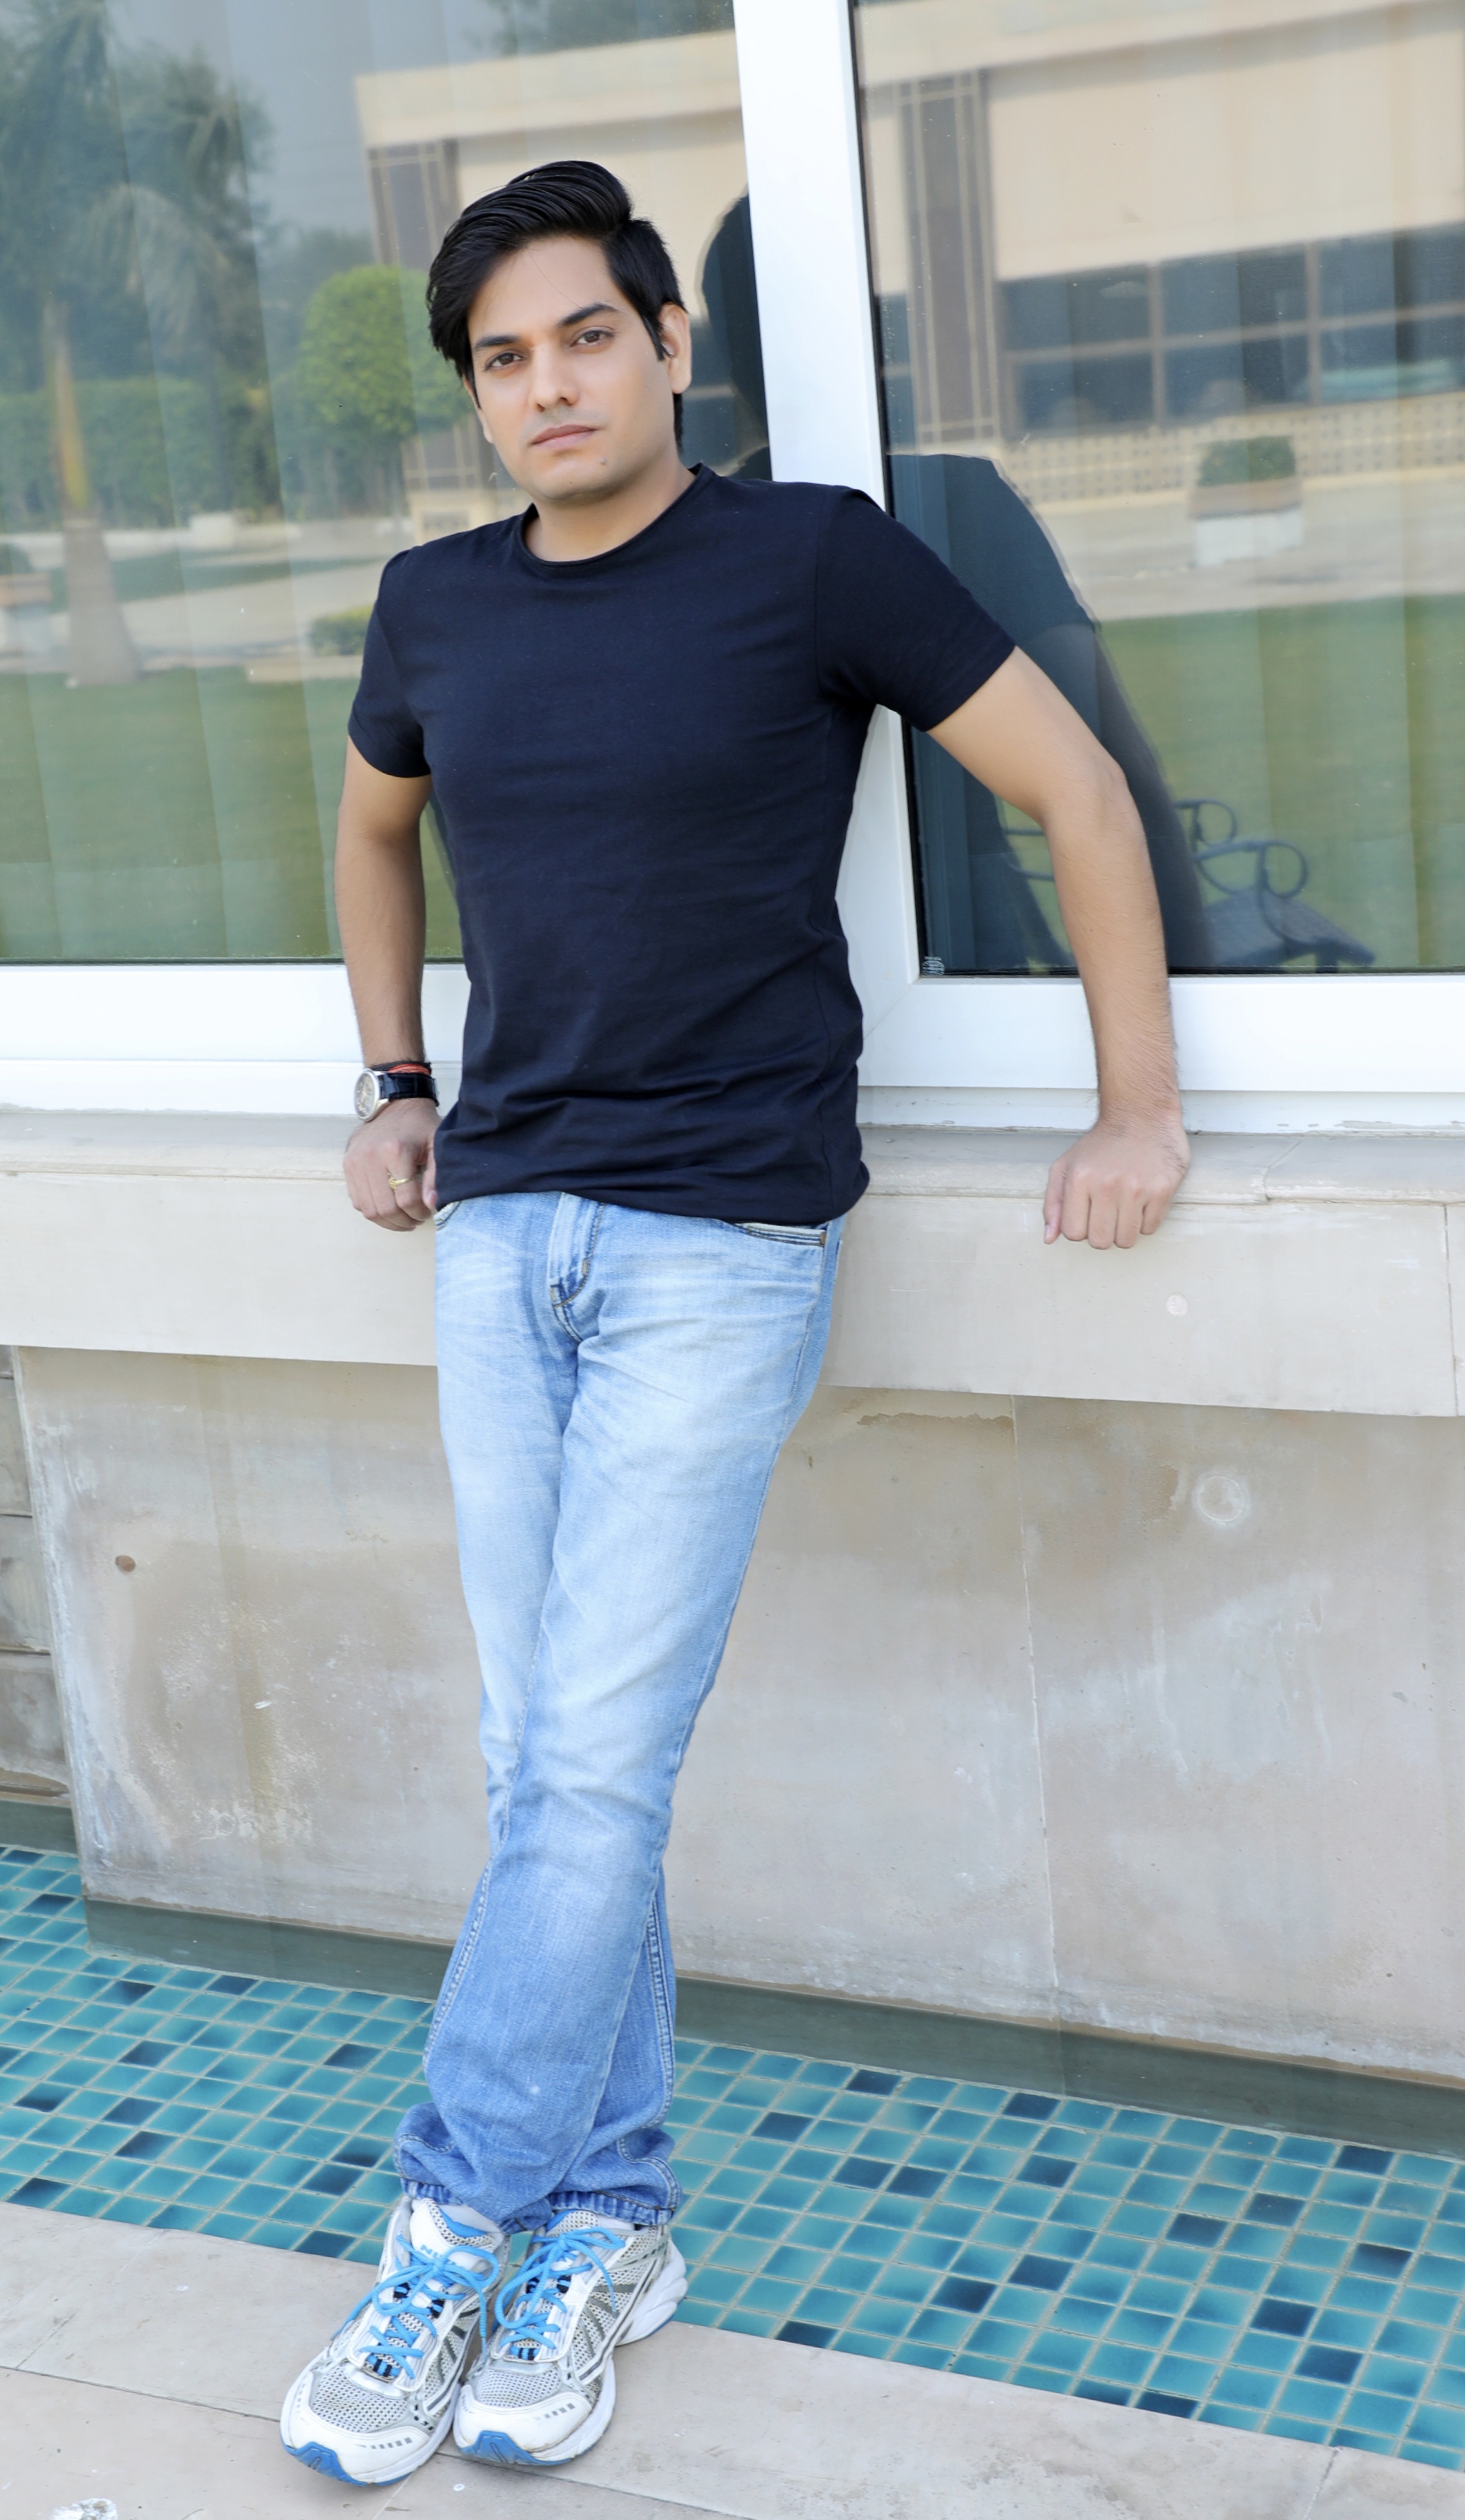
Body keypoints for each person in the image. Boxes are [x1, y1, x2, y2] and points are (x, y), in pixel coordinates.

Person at [279, 158, 1189, 2487]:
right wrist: (391, 1080)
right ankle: (607, 2222)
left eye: (586, 335)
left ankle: (448, 2233)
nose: (547, 387)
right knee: (552, 1767)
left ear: (670, 344)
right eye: (503, 359)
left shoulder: (809, 561)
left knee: (586, 1765)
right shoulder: (435, 603)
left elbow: (1078, 786)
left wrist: (1136, 1106)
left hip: (722, 1246)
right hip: (505, 1238)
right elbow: (372, 829)